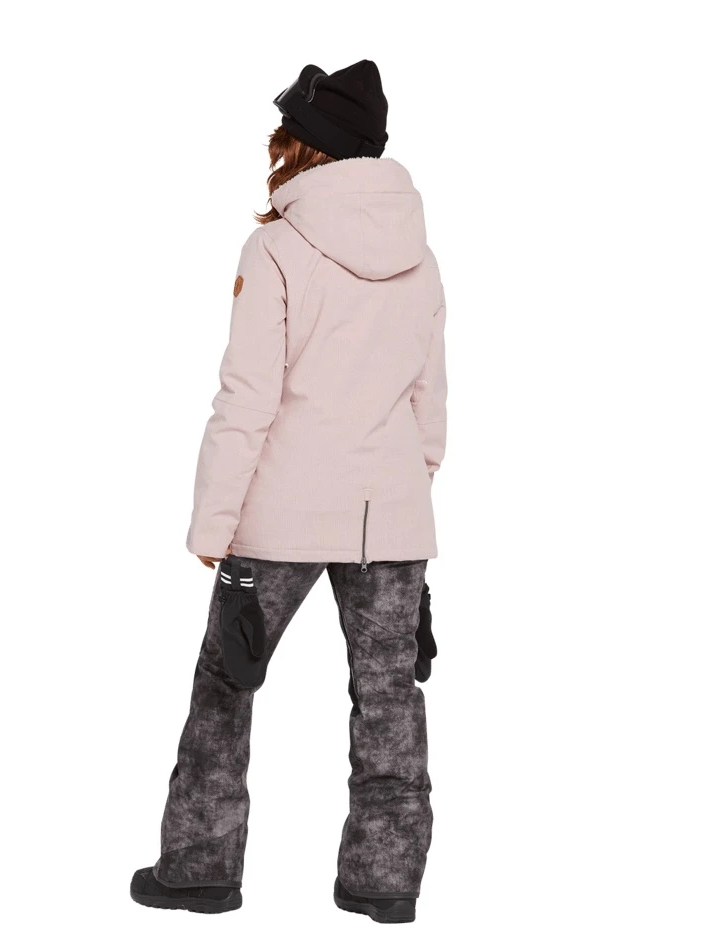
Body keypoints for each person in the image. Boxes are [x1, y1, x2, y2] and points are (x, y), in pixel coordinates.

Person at [130, 59, 447, 924]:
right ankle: (385, 879)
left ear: (305, 146)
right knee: (389, 696)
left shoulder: (274, 248)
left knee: (225, 685)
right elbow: (430, 405)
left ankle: (200, 867)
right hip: (392, 519)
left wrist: (213, 522)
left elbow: (247, 398)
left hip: (281, 515)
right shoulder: (423, 258)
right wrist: (405, 489)